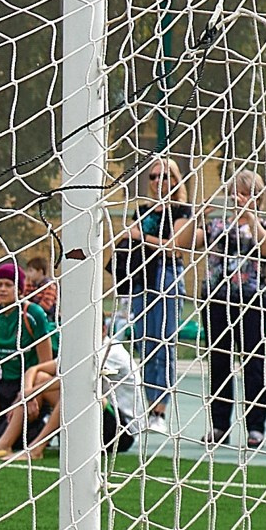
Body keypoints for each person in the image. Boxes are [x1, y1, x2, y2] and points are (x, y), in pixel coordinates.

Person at [178, 169, 266, 448]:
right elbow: (183, 243)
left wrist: (250, 216)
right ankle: (220, 425)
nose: (239, 197)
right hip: (216, 298)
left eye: (247, 193)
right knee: (219, 363)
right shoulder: (214, 223)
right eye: (236, 191)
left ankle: (255, 427)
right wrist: (198, 213)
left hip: (252, 299)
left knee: (253, 362)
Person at [111, 157, 192, 435]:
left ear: (175, 180)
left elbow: (174, 247)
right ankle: (144, 405)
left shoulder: (182, 211)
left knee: (164, 342)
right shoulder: (143, 211)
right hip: (140, 278)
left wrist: (140, 237)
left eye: (165, 176)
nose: (159, 182)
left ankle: (160, 408)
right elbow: (126, 238)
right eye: (154, 177)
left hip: (167, 275)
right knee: (144, 342)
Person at [0, 275, 62, 460]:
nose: (3, 289)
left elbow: (44, 368)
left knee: (72, 394)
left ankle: (32, 445)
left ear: (20, 289)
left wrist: (30, 394)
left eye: (8, 285)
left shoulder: (32, 314)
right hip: (12, 385)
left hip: (99, 418)